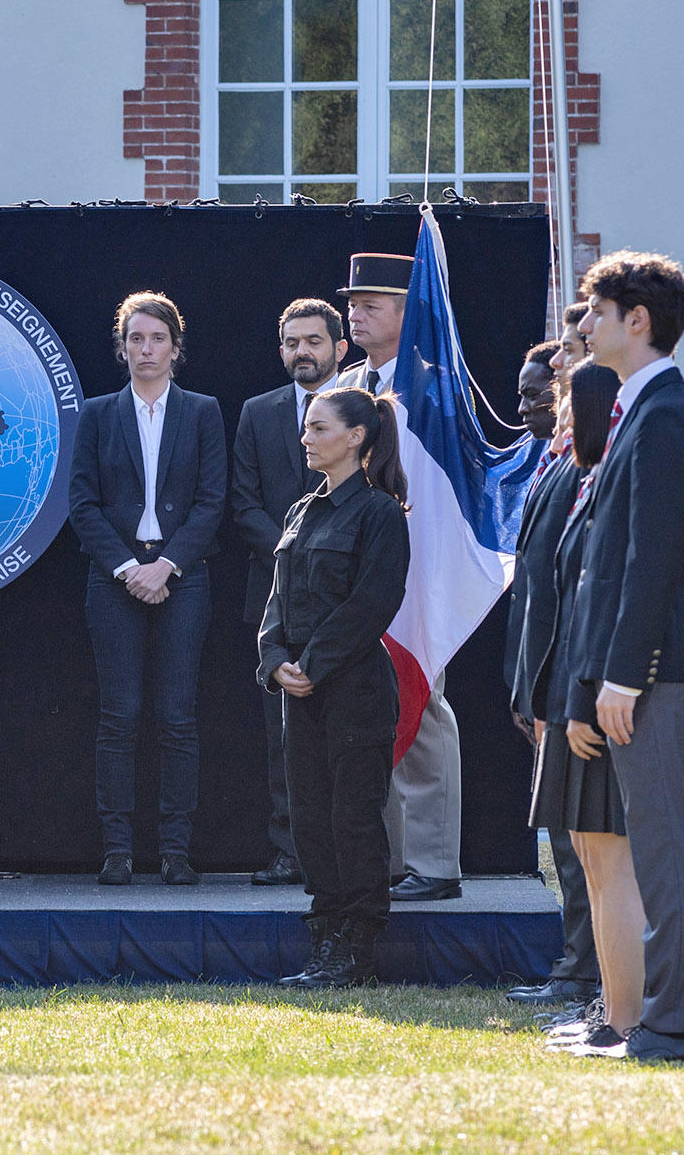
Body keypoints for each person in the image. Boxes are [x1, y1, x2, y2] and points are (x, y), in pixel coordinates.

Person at [568, 251, 684, 1063]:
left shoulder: (662, 415)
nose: (584, 323)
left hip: (650, 675)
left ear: (638, 320)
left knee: (661, 850)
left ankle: (673, 1023)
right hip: (635, 671)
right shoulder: (640, 409)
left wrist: (625, 673)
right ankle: (662, 1017)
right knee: (655, 847)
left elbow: (649, 561)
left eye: (596, 309)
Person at [68, 290, 227, 886]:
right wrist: (127, 568)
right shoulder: (98, 414)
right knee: (119, 715)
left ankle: (176, 851)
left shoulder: (203, 411)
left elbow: (213, 501)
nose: (146, 349)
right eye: (135, 338)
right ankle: (116, 850)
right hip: (114, 580)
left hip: (184, 578)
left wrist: (167, 567)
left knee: (178, 717)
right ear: (122, 347)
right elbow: (82, 504)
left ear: (175, 348)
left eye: (157, 338)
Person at [258, 387, 412, 988]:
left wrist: (314, 663)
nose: (306, 437)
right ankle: (324, 941)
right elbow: (278, 599)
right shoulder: (302, 510)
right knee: (311, 822)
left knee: (352, 819)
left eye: (319, 428)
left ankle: (357, 950)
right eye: (306, 427)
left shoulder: (379, 513)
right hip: (302, 691)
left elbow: (373, 603)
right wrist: (274, 660)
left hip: (354, 692)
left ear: (355, 437)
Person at [334, 252, 463, 904]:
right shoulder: (349, 383)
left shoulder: (434, 387)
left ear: (404, 311)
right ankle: (383, 858)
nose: (355, 312)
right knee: (368, 713)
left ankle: (434, 861)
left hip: (417, 572)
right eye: (351, 303)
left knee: (421, 706)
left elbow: (444, 490)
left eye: (370, 303)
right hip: (360, 569)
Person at [529, 365, 642, 1057]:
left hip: (595, 695)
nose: (558, 419)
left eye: (569, 409)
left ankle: (624, 1016)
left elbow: (597, 605)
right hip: (570, 687)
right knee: (588, 858)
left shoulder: (603, 490)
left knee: (609, 862)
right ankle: (608, 1005)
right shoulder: (584, 483)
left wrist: (576, 700)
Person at [230, 297, 345, 888]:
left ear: (338, 349)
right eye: (293, 342)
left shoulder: (362, 408)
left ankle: (342, 854)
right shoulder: (257, 411)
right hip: (273, 600)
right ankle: (288, 850)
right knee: (281, 738)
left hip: (346, 599)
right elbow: (242, 500)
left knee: (345, 735)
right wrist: (293, 549)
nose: (303, 351)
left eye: (314, 341)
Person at [501, 341, 602, 1012]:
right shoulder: (543, 466)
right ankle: (575, 968)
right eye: (520, 394)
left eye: (536, 395)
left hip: (569, 683)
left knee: (577, 842)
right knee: (560, 842)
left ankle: (582, 975)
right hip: (539, 680)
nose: (523, 407)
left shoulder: (578, 470)